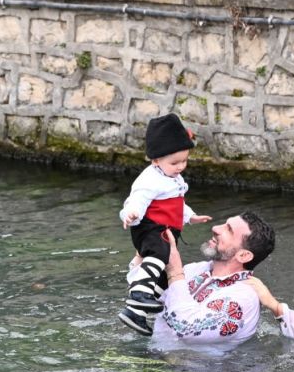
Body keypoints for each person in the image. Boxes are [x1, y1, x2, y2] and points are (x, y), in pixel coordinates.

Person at [118, 113, 212, 335]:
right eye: (174, 163)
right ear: (156, 160)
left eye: (184, 161)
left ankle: (136, 313)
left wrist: (190, 217)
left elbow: (177, 203)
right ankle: (139, 294)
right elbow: (136, 200)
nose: (180, 167)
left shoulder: (172, 177)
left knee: (162, 275)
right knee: (159, 254)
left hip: (167, 229)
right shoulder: (150, 179)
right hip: (150, 227)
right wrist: (130, 214)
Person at [125, 211, 275, 346]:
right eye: (224, 224)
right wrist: (148, 246)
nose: (216, 228)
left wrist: (174, 273)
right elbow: (146, 296)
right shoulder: (196, 269)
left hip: (196, 368)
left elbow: (186, 330)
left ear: (243, 255)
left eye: (229, 230)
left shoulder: (243, 299)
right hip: (156, 355)